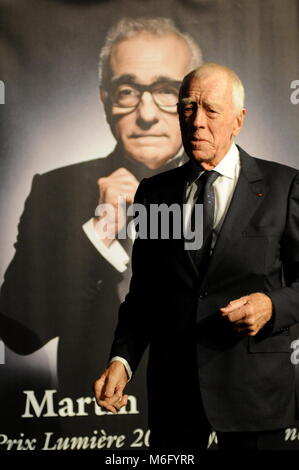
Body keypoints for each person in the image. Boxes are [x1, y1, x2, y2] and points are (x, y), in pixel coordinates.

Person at [94, 63, 299, 450]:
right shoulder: (154, 193)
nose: (197, 122)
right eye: (188, 108)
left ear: (238, 120)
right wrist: (121, 361)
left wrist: (271, 305)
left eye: (211, 110)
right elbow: (145, 294)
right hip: (175, 397)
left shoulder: (283, 186)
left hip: (253, 396)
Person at [0, 18, 202, 401]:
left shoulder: (229, 189)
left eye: (166, 91)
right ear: (105, 101)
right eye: (127, 90)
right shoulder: (55, 190)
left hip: (201, 418)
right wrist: (97, 237)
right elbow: (19, 333)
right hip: (90, 420)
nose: (146, 113)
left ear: (191, 99)